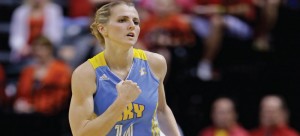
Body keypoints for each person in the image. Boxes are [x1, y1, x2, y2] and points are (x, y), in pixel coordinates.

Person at [69, 1, 181, 136]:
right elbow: (81, 133)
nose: (131, 26)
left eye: (136, 22)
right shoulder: (86, 74)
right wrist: (121, 102)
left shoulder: (155, 63)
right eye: (122, 20)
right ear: (102, 28)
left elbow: (161, 110)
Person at [13, 36, 71, 115]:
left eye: (41, 49)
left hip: (53, 116)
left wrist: (36, 107)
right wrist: (21, 104)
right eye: (35, 49)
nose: (38, 53)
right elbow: (21, 93)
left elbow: (61, 96)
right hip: (27, 115)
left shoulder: (61, 70)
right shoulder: (28, 71)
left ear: (50, 49)